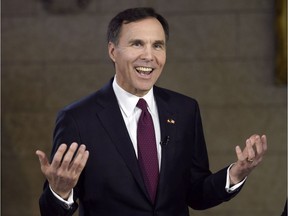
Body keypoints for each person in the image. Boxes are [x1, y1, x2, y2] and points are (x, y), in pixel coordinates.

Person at [36, 7, 267, 216]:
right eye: (137, 43)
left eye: (157, 45)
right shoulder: (78, 118)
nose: (149, 55)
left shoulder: (185, 110)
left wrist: (236, 173)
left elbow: (196, 192)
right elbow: (51, 212)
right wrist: (59, 191)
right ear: (113, 51)